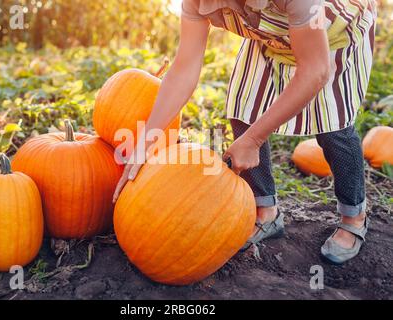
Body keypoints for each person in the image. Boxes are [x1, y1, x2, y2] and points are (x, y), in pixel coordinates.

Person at [113, 0, 377, 264]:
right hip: (270, 38)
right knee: (244, 112)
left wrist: (253, 140)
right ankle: (266, 211)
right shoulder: (197, 3)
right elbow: (184, 69)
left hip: (331, 37)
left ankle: (354, 216)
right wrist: (147, 139)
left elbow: (315, 71)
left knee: (333, 128)